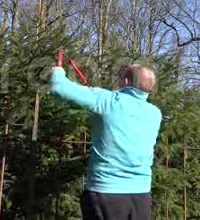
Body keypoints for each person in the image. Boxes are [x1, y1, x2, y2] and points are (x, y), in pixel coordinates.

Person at [49, 63, 162, 220]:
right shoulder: (155, 114)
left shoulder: (107, 101)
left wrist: (58, 72)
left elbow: (59, 87)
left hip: (106, 191)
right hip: (141, 194)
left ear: (127, 82)